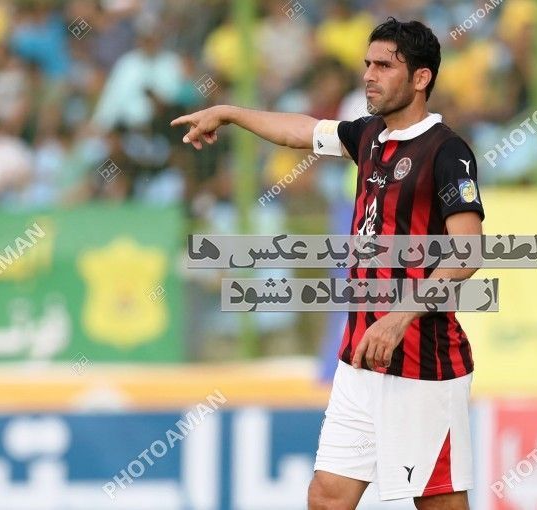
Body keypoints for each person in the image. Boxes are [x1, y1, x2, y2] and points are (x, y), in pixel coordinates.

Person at [171, 17, 485, 510]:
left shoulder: (447, 152)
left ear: (421, 78)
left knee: (436, 502)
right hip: (359, 357)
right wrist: (229, 113)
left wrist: (399, 317)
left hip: (422, 363)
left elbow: (468, 252)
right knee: (327, 497)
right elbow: (300, 131)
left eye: (384, 66)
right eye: (367, 64)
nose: (369, 76)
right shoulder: (369, 136)